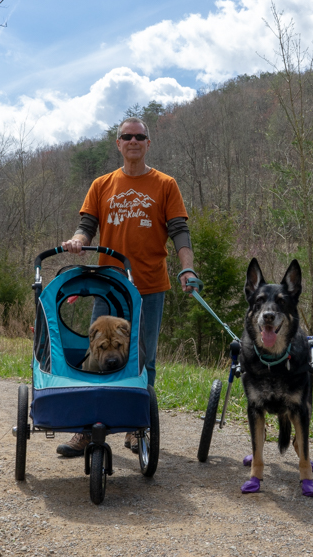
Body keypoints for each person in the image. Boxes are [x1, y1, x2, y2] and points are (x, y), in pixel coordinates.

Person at [56, 116, 200, 457]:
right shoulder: (102, 184)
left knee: (142, 359)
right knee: (97, 353)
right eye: (126, 136)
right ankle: (88, 430)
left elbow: (180, 230)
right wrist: (77, 241)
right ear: (118, 144)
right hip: (108, 285)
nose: (133, 141)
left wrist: (187, 267)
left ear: (148, 143)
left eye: (139, 136)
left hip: (149, 285)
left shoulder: (165, 184)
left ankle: (137, 427)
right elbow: (86, 225)